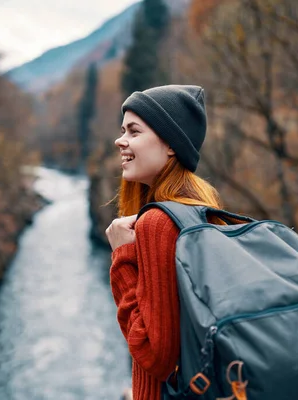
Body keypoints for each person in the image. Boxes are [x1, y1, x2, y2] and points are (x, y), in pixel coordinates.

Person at [105, 84, 223, 400]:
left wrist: (122, 256)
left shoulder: (159, 222)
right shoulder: (201, 208)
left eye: (134, 131)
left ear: (171, 145)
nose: (120, 140)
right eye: (122, 130)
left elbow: (155, 354)